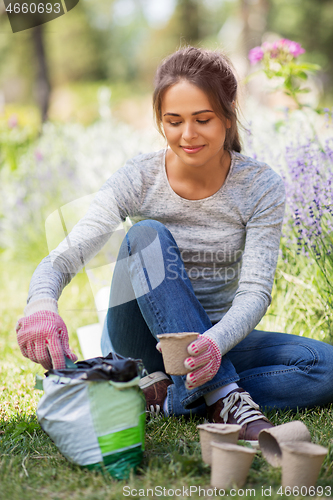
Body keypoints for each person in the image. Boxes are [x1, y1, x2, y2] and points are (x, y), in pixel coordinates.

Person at [16, 47, 333, 446]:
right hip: (142, 345)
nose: (188, 135)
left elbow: (255, 291)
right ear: (159, 121)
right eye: (174, 121)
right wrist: (40, 303)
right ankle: (222, 396)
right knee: (146, 235)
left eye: (203, 119)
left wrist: (215, 344)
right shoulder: (139, 177)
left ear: (229, 112)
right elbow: (65, 255)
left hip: (216, 339)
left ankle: (168, 399)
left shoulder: (260, 186)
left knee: (326, 368)